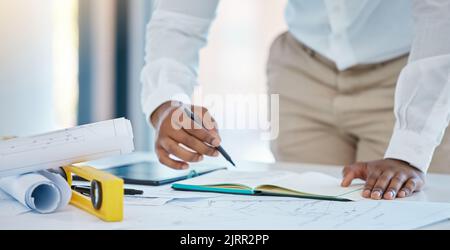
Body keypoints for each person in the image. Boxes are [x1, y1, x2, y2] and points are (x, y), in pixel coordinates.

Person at [140, 0, 450, 200]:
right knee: (300, 207)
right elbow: (179, 17)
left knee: (399, 208)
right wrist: (167, 101)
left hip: (413, 73)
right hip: (302, 70)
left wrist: (410, 148)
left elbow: (441, 15)